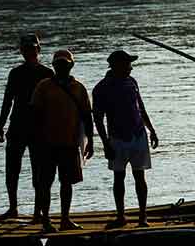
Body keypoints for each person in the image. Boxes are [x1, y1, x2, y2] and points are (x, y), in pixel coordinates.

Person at [93, 50, 159, 229]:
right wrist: (106, 143)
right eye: (127, 64)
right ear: (116, 66)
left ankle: (142, 217)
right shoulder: (101, 88)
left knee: (140, 177)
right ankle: (121, 216)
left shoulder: (132, 82)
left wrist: (151, 130)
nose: (130, 67)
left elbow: (141, 109)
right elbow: (98, 119)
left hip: (138, 135)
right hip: (117, 138)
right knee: (118, 178)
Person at [32, 49, 94, 233]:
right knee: (45, 183)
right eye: (58, 64)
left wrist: (90, 140)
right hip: (46, 143)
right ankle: (46, 220)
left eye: (65, 64)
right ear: (54, 65)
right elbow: (34, 114)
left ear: (71, 65)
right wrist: (36, 140)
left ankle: (65, 219)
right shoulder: (43, 86)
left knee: (66, 183)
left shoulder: (79, 88)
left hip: (69, 143)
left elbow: (86, 116)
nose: (61, 67)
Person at [0, 33, 54, 222]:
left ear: (38, 49)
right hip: (17, 126)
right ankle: (13, 208)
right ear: (21, 51)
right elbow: (7, 101)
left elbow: (53, 103)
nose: (29, 51)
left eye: (32, 48)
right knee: (12, 170)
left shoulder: (48, 73)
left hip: (39, 129)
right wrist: (1, 125)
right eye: (26, 49)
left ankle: (38, 212)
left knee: (39, 171)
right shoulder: (16, 73)